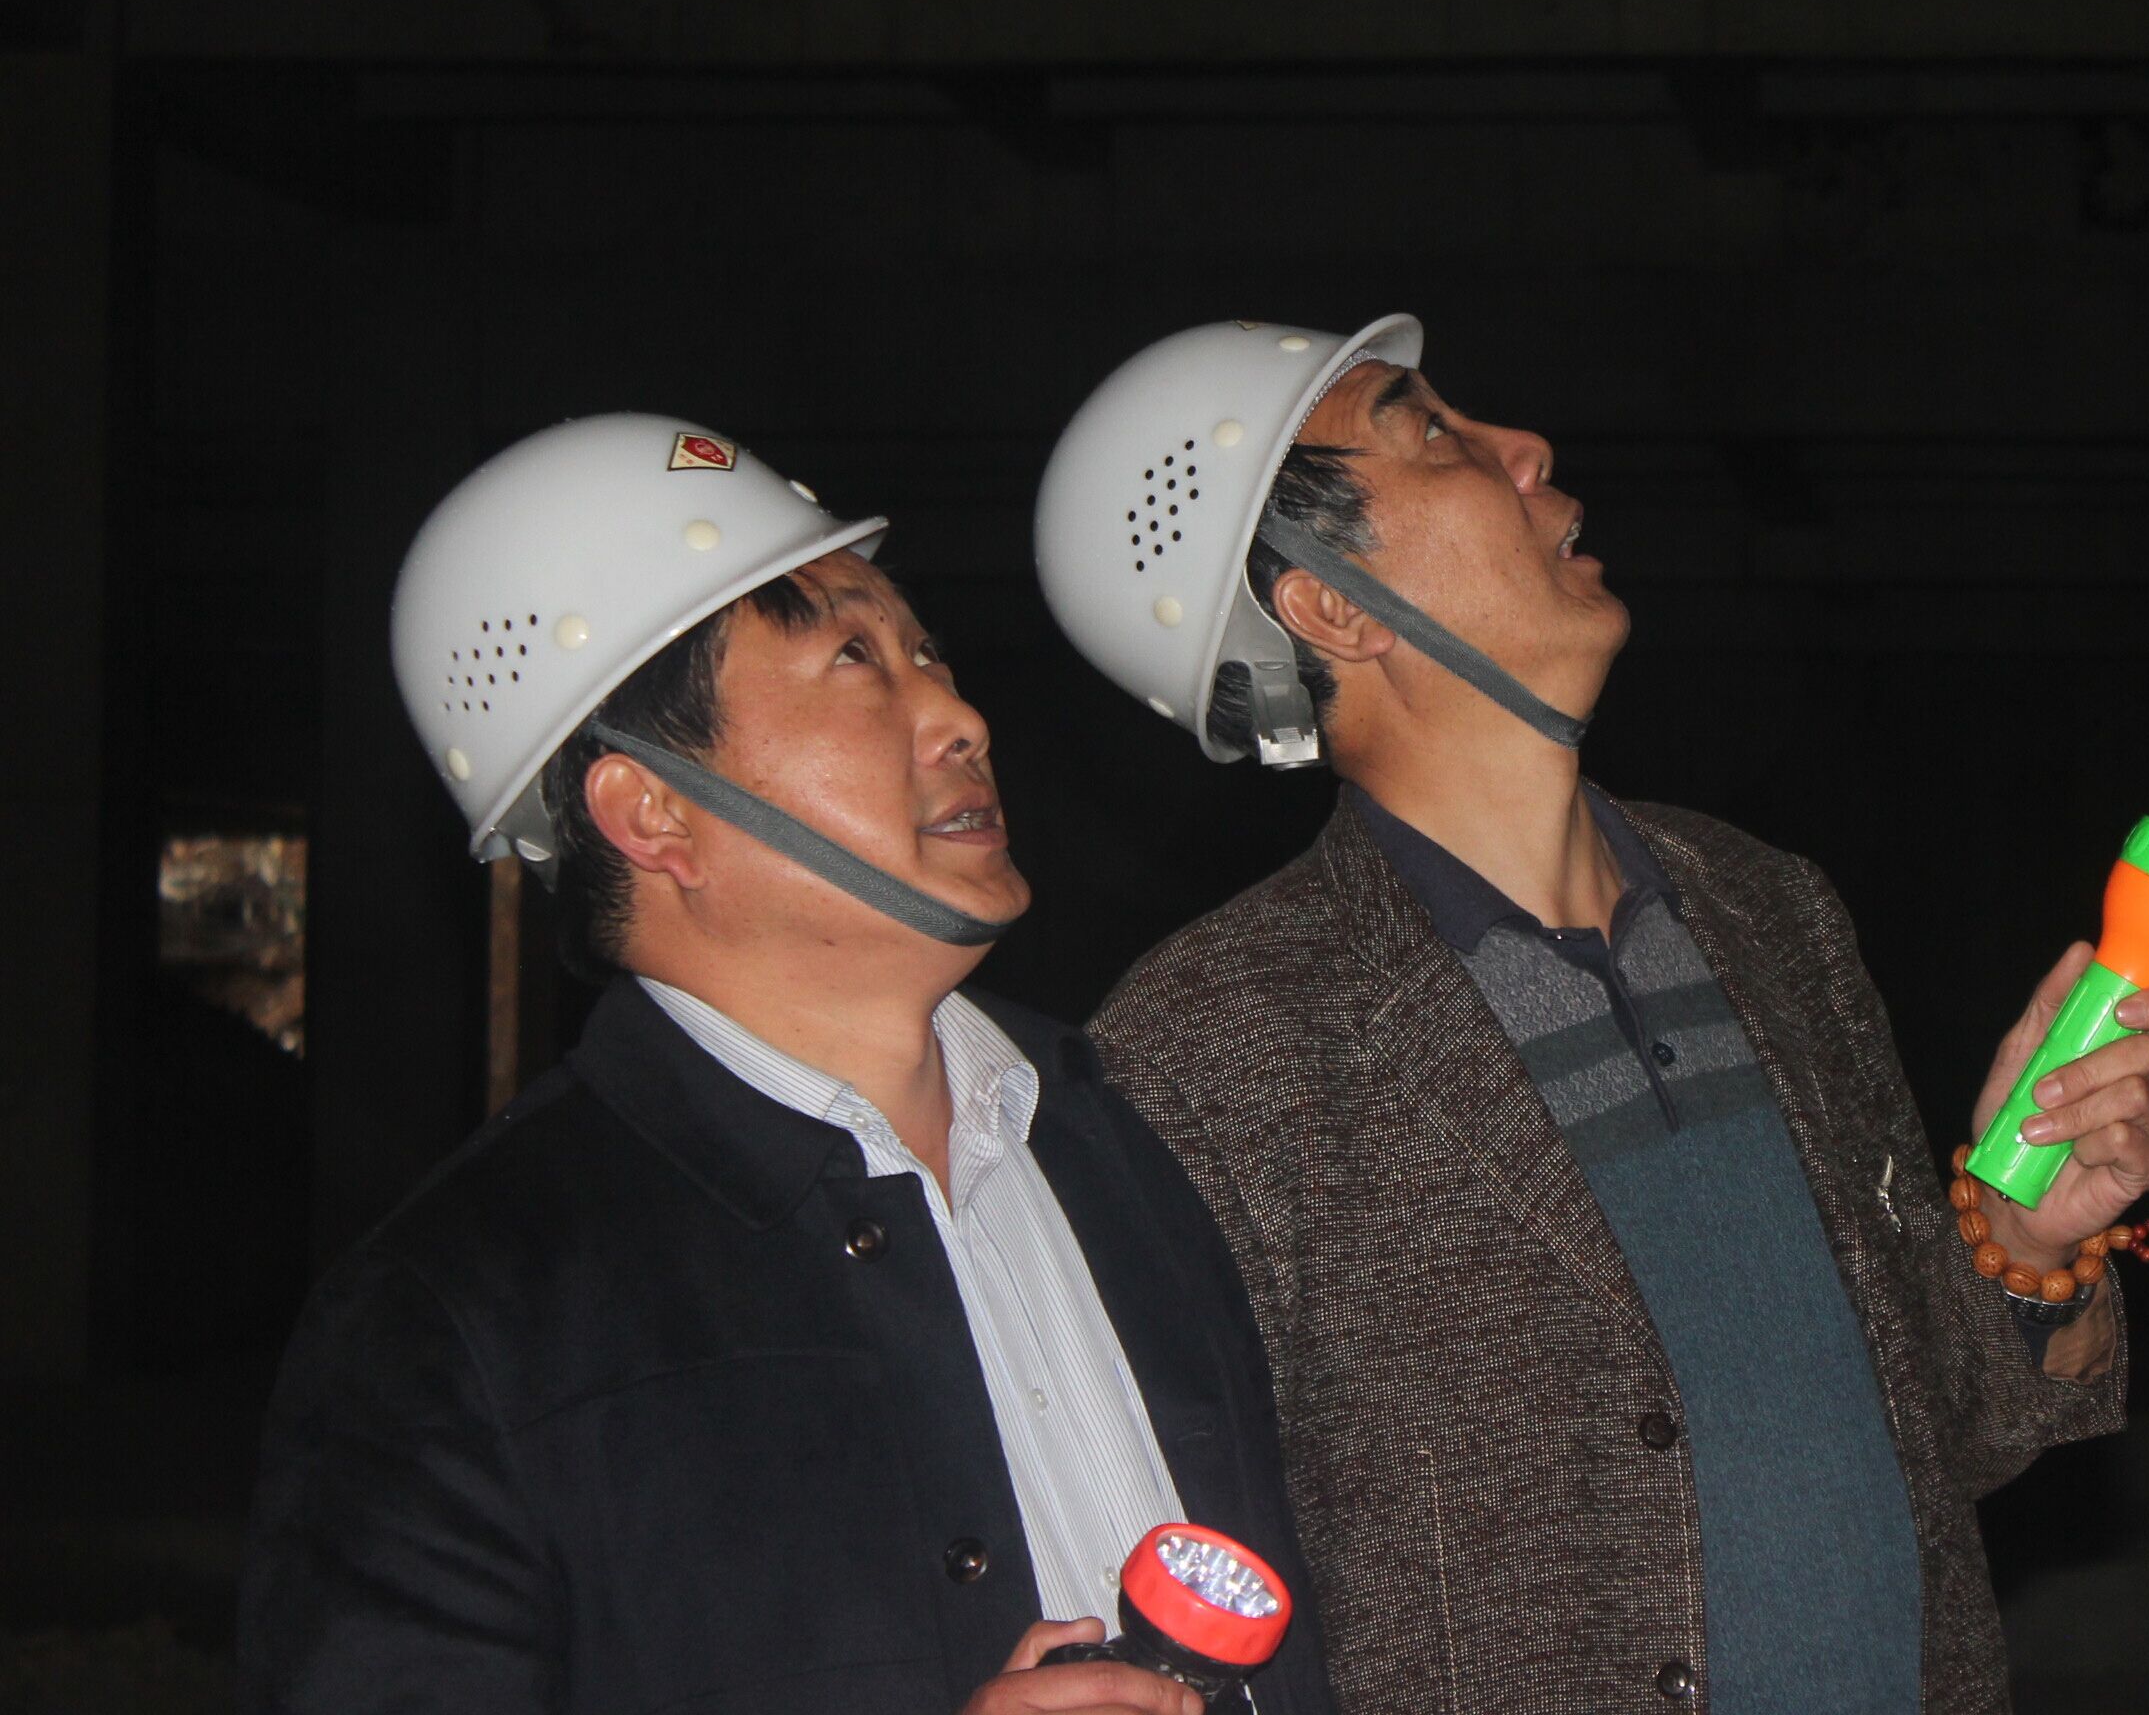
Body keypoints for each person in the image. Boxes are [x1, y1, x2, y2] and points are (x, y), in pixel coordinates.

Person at [1034, 319, 2149, 1714]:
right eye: (1432, 434)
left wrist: (2026, 1240)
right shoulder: (1215, 1044)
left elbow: (1946, 1435)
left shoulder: (1768, 910)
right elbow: (1191, 1554)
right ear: (1333, 607)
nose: (1526, 449)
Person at [241, 414, 1338, 1715]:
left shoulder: (1129, 1140)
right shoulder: (455, 1322)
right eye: (854, 661)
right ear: (654, 810)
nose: (958, 717)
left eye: (926, 653)